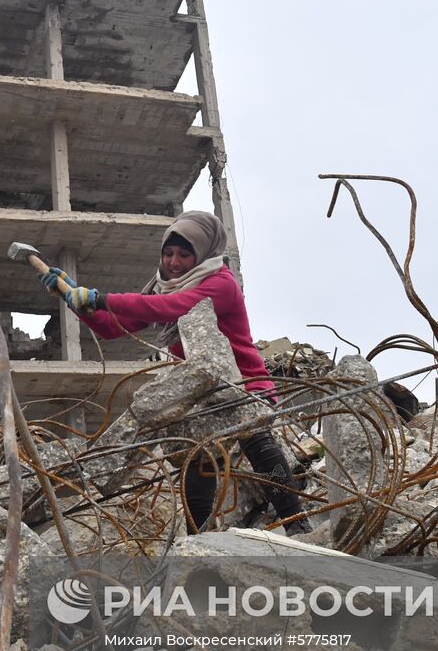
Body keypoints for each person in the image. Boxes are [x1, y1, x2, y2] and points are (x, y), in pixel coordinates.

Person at [40, 211, 311, 533]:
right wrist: (72, 298)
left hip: (244, 383)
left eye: (184, 254)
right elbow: (114, 328)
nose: (174, 262)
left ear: (203, 253)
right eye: (168, 253)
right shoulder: (163, 286)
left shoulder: (220, 283)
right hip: (199, 392)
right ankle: (202, 539)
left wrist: (101, 298)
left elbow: (174, 307)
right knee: (199, 461)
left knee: (258, 445)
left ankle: (296, 521)